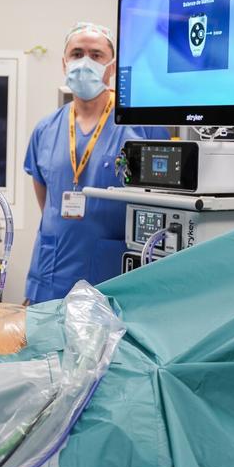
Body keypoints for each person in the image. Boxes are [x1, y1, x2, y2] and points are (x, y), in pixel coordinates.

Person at [24, 22, 166, 304]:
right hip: (51, 275)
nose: (85, 62)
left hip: (111, 277)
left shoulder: (142, 126)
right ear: (64, 63)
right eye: (77, 54)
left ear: (111, 67)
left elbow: (161, 201)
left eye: (96, 54)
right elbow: (47, 199)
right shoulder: (45, 129)